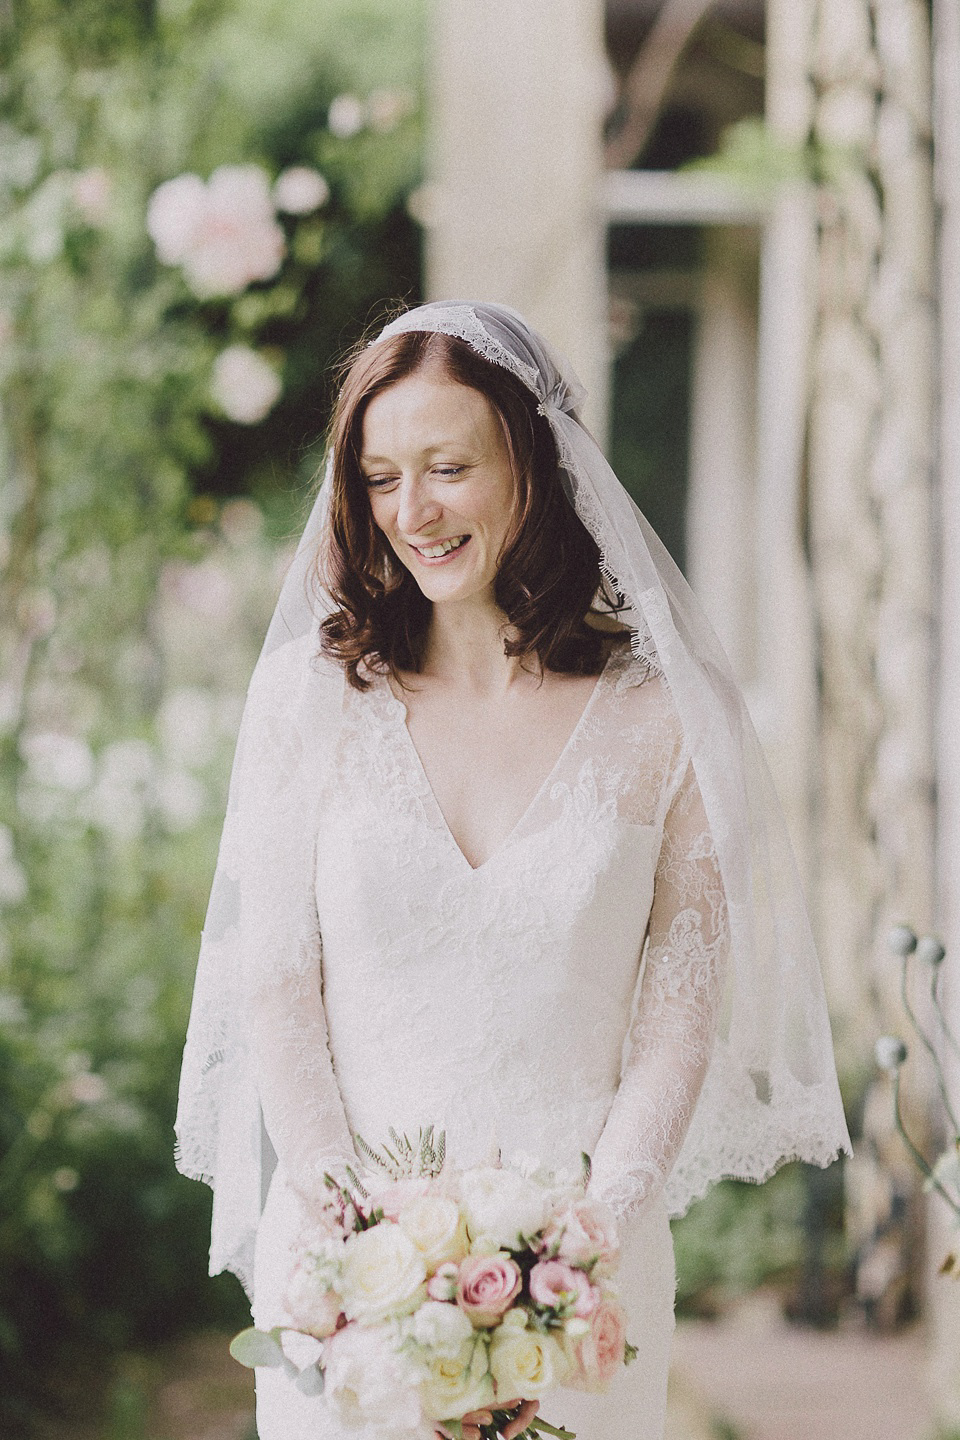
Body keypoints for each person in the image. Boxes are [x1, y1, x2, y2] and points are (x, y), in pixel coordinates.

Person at [174, 301, 851, 1440]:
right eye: (383, 477)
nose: (414, 512)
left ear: (535, 467)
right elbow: (281, 998)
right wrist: (364, 1254)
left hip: (587, 1284)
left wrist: (577, 1254)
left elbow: (674, 1029)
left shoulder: (671, 721)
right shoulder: (310, 707)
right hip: (351, 1291)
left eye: (450, 467)